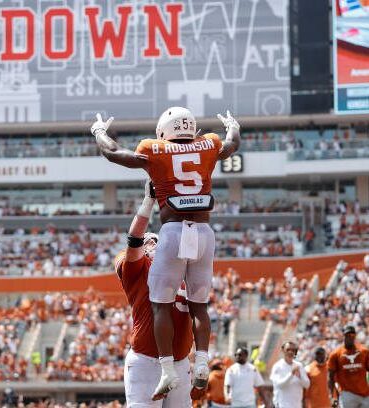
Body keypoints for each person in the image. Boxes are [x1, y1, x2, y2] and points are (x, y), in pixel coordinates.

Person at [91, 108, 240, 397]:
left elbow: (113, 153)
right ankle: (202, 363)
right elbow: (231, 145)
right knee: (200, 305)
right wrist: (233, 126)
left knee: (161, 304)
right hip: (205, 233)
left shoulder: (154, 149)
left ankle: (168, 369)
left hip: (173, 229)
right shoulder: (208, 143)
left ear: (163, 131)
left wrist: (98, 132)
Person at [114, 180, 194, 407]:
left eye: (157, 240)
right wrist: (148, 203)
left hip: (179, 361)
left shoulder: (181, 268)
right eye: (150, 241)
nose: (155, 243)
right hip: (147, 360)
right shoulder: (137, 269)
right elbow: (134, 241)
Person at [328, 325, 369, 408]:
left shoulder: (364, 351)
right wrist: (333, 396)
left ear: (355, 336)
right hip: (347, 394)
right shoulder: (335, 354)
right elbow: (331, 377)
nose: (350, 337)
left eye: (352, 335)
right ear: (344, 336)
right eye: (347, 335)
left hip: (365, 394)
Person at [270, 341, 310, 408]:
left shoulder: (299, 366)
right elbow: (280, 385)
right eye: (288, 350)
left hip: (297, 405)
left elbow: (307, 385)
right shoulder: (277, 366)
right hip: (282, 405)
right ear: (283, 351)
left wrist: (300, 376)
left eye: (293, 350)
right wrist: (291, 374)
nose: (290, 352)